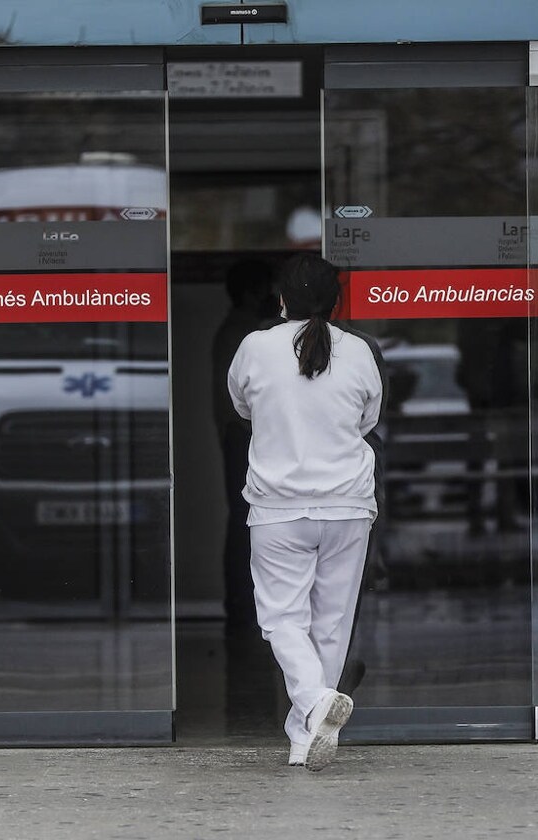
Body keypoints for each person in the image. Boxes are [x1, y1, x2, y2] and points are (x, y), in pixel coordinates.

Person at [227, 253, 382, 771]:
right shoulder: (358, 351)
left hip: (279, 508)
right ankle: (304, 734)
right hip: (346, 505)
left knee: (281, 619)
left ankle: (314, 705)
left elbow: (242, 406)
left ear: (282, 300)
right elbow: (367, 420)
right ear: (336, 303)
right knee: (332, 623)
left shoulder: (255, 346)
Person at [212, 259, 276, 630]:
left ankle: (242, 605)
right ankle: (241, 605)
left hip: (241, 436)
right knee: (245, 521)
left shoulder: (239, 331)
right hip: (243, 437)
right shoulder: (244, 334)